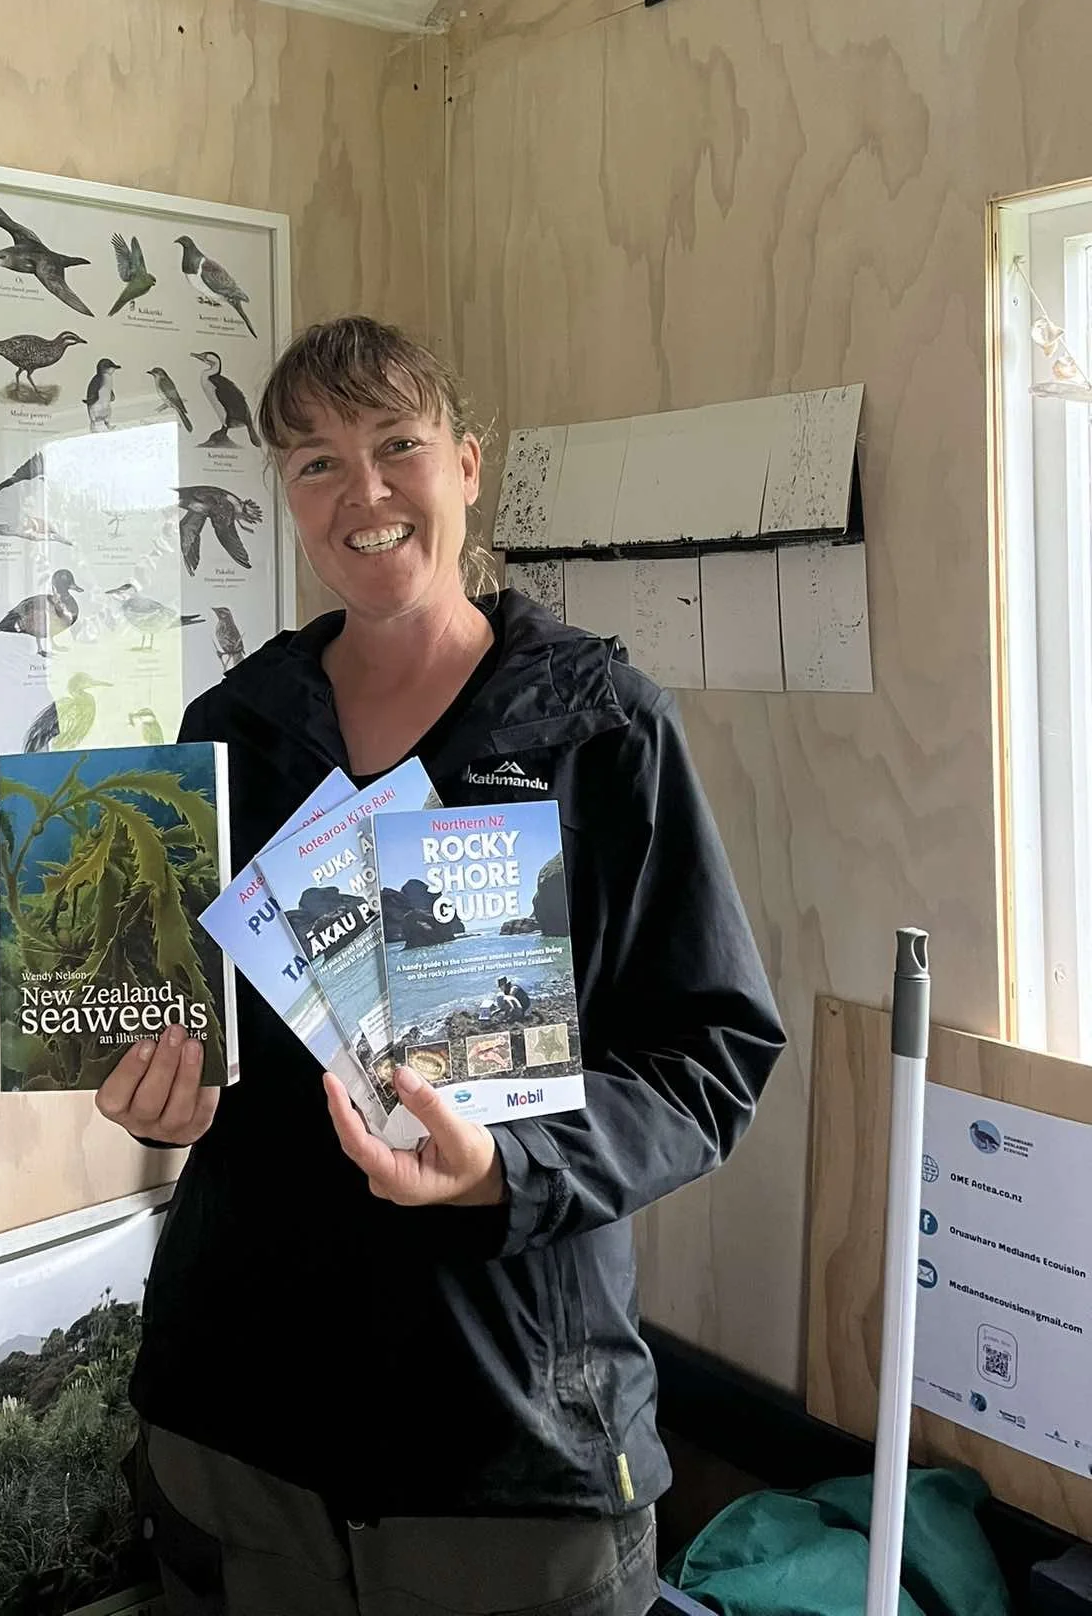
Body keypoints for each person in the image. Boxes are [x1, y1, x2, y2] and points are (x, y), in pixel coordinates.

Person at [97, 316, 786, 1616]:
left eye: (395, 445)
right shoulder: (231, 734)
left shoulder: (603, 731)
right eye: (313, 461)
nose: (361, 493)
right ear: (286, 497)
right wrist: (158, 1091)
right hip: (239, 1416)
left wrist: (504, 1168)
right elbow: (194, 1030)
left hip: (511, 1431)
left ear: (467, 465)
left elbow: (710, 1060)